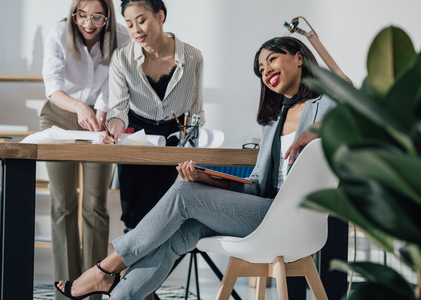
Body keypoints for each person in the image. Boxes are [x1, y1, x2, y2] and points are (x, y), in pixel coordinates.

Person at [55, 36, 335, 300]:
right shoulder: (273, 121)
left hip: (292, 218)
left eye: (272, 60)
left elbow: (359, 117)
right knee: (186, 224)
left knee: (184, 195)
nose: (266, 71)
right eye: (261, 68)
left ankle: (107, 267)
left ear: (299, 58)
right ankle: (120, 294)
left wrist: (319, 129)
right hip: (266, 209)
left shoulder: (325, 106)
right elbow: (259, 185)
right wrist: (207, 179)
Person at [40, 1, 131, 299]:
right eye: (82, 15)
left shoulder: (121, 37)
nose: (88, 23)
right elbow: (53, 87)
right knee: (63, 204)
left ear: (107, 16)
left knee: (95, 206)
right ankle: (65, 288)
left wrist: (100, 118)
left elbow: (115, 85)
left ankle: (91, 288)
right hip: (60, 115)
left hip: (99, 119)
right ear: (73, 13)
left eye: (96, 16)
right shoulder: (57, 33)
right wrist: (79, 106)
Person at [100, 0, 205, 231]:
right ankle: (128, 265)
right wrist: (112, 131)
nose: (135, 30)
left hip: (171, 138)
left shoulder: (192, 57)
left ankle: (130, 264)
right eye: (129, 24)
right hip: (135, 135)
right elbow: (118, 109)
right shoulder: (122, 58)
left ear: (160, 16)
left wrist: (193, 150)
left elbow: (195, 111)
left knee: (154, 211)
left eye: (141, 20)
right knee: (131, 213)